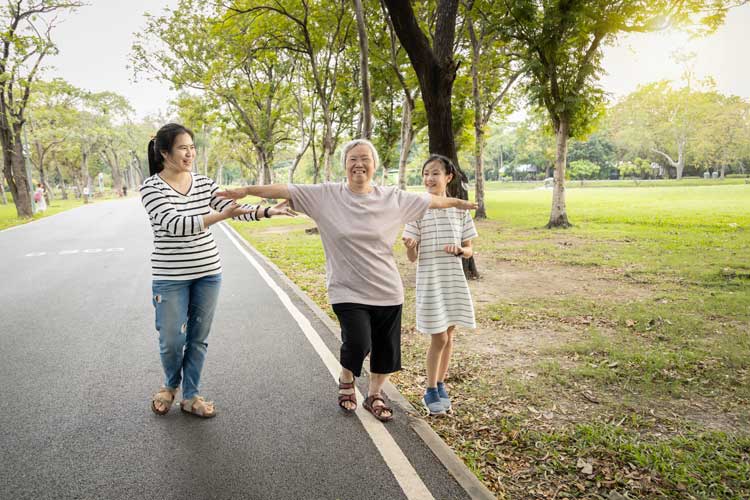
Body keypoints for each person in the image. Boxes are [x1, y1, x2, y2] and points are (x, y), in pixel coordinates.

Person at [217, 139, 477, 422]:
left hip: (387, 290)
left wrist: (461, 203)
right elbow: (284, 188)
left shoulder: (393, 198)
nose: (359, 164)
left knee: (386, 350)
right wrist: (247, 190)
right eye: (353, 158)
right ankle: (346, 374)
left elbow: (434, 201)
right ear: (344, 164)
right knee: (357, 342)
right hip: (346, 288)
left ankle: (376, 394)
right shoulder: (326, 195)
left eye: (365, 158)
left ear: (375, 166)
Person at [140, 123, 295, 418]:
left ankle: (191, 396)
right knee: (172, 339)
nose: (190, 153)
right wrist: (221, 215)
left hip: (208, 273)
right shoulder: (151, 188)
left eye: (192, 147)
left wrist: (267, 211)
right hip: (170, 277)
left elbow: (232, 207)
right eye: (182, 148)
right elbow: (175, 225)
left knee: (198, 338)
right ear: (164, 153)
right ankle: (170, 385)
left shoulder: (203, 183)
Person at [402, 155, 478, 416]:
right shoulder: (417, 210)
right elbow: (412, 258)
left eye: (435, 173)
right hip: (431, 280)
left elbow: (469, 250)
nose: (429, 178)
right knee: (439, 336)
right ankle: (430, 390)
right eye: (425, 173)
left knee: (451, 334)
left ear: (448, 177)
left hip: (453, 280)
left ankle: (441, 384)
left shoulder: (460, 210)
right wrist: (411, 248)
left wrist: (460, 250)